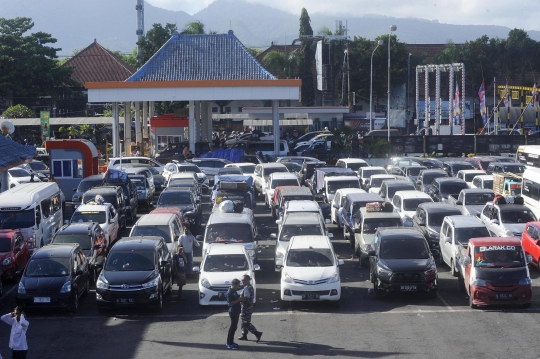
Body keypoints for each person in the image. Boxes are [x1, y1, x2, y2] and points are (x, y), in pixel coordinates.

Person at [238, 274, 263, 342]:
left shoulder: (247, 288)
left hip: (246, 307)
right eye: (242, 280)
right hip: (248, 307)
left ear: (248, 280)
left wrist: (238, 299)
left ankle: (257, 333)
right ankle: (244, 335)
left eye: (244, 280)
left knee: (245, 322)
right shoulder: (249, 287)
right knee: (243, 321)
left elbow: (246, 298)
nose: (242, 281)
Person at [226, 279, 245, 349]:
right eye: (237, 285)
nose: (238, 287)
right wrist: (239, 299)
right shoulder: (229, 292)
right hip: (233, 311)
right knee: (232, 327)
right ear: (234, 285)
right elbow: (230, 303)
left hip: (236, 311)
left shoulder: (233, 291)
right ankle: (229, 343)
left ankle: (231, 341)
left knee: (234, 327)